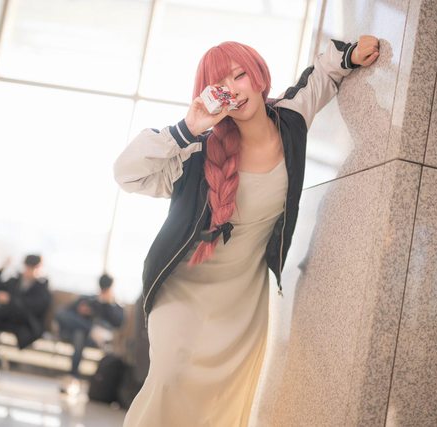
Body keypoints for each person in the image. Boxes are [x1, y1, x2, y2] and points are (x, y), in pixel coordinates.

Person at [114, 36, 379, 426]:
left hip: (242, 300)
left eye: (239, 76)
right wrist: (188, 128)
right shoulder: (196, 151)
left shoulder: (290, 118)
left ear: (258, 77)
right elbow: (127, 174)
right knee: (168, 378)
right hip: (181, 290)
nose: (234, 90)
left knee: (225, 403)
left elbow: (323, 73)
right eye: (220, 85)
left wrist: (352, 55)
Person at [55, 273, 124, 392]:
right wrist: (81, 311)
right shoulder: (89, 300)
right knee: (77, 331)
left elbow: (118, 323)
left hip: (98, 340)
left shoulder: (114, 305)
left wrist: (108, 304)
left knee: (79, 334)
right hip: (81, 334)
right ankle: (90, 329)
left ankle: (73, 377)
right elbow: (64, 313)